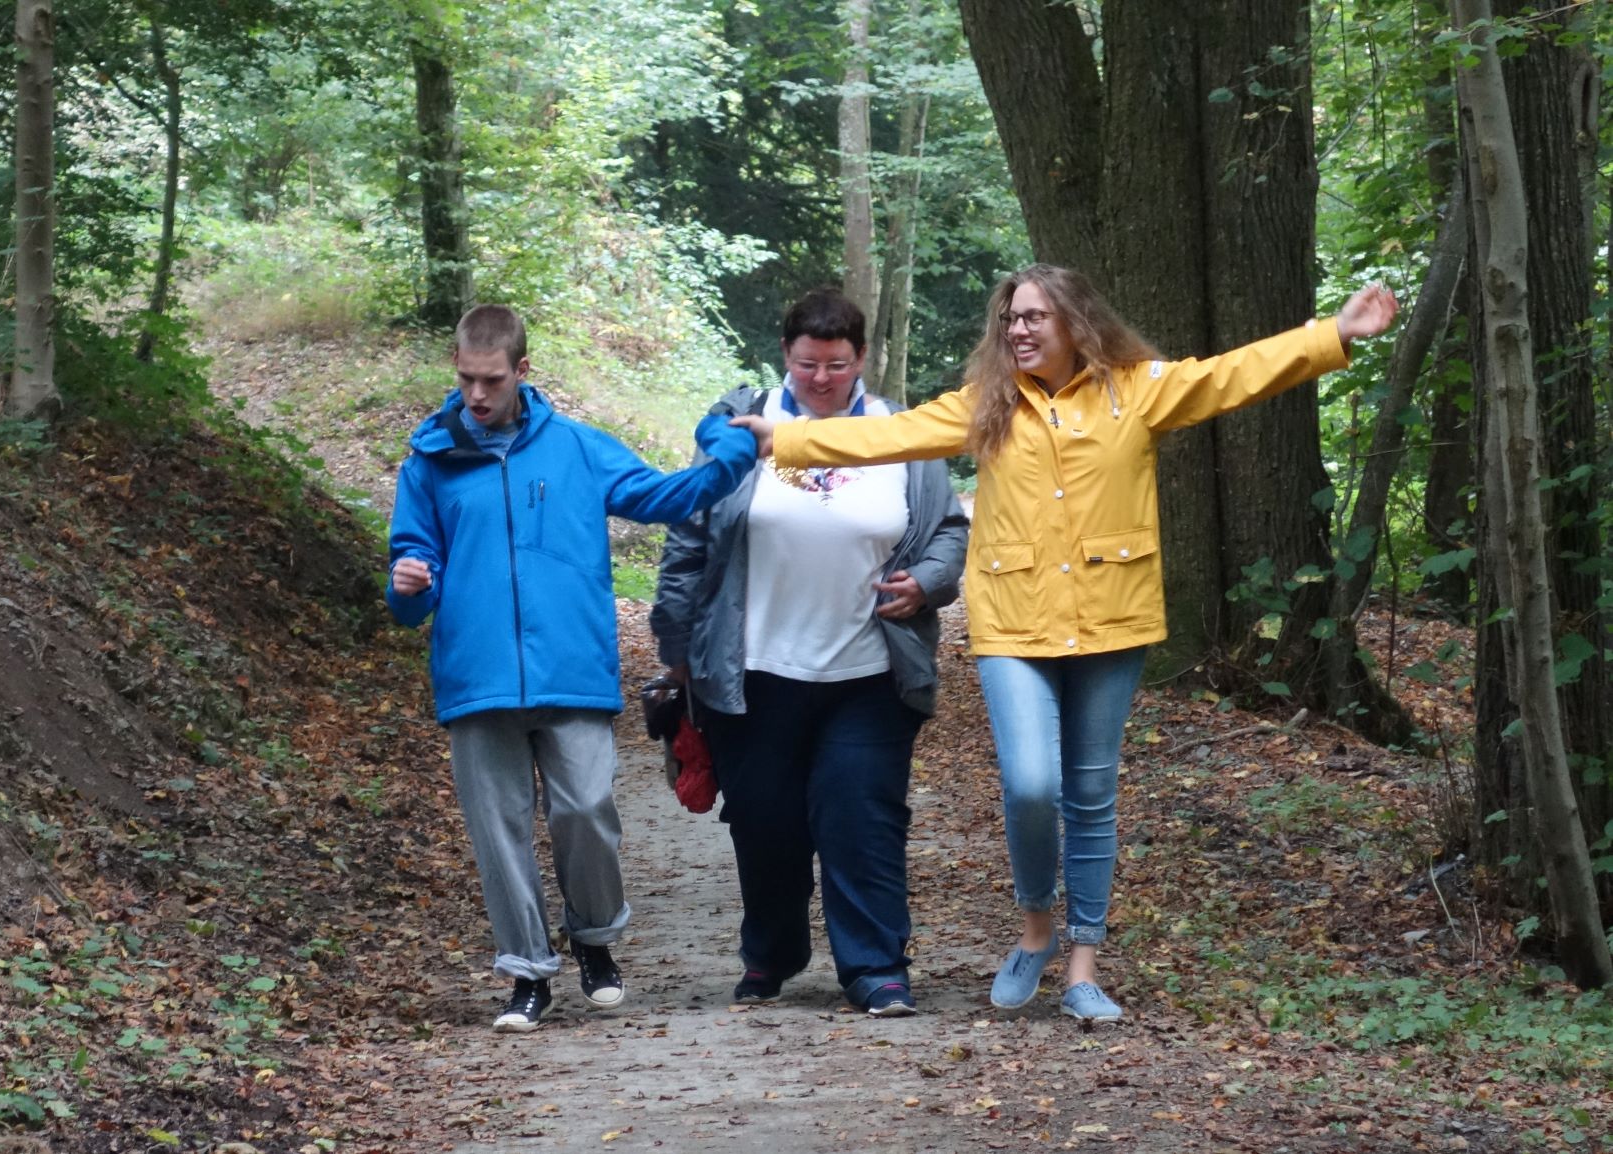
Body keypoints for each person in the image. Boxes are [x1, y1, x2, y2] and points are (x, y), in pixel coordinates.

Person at [735, 266, 1399, 1021]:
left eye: (1034, 318)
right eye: (1011, 319)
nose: (1017, 330)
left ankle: (1082, 962)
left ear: (1076, 322)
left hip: (1113, 618)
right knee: (1030, 785)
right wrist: (784, 438)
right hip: (1014, 621)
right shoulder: (985, 407)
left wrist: (1335, 334)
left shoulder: (1135, 389)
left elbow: (1231, 376)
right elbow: (889, 433)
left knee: (1091, 794)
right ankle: (1035, 929)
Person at [386, 304, 758, 1033]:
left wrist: (729, 449)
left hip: (572, 669)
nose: (476, 396)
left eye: (491, 380)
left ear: (523, 372)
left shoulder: (581, 450)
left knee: (586, 811)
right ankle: (525, 973)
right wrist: (410, 582)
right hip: (477, 676)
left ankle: (593, 939)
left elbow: (667, 497)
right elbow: (411, 579)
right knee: (500, 830)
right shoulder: (430, 462)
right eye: (465, 379)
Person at [651, 289, 970, 1017]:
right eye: (806, 364)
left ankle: (877, 967)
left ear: (861, 358)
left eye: (836, 364)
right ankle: (771, 952)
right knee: (765, 820)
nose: (821, 379)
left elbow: (949, 530)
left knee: (862, 816)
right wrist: (675, 647)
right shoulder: (740, 428)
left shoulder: (902, 432)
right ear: (784, 356)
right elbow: (689, 538)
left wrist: (927, 581)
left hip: (870, 671)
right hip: (752, 669)